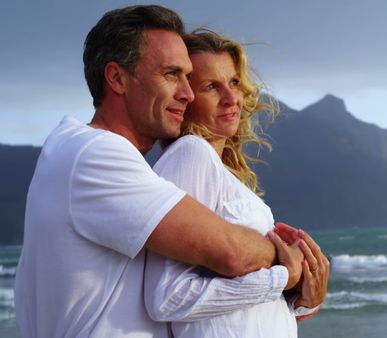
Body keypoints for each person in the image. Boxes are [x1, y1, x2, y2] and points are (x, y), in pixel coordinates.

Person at [14, 5, 324, 337]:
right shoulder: (95, 154)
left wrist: (300, 296)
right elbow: (226, 254)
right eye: (172, 74)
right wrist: (288, 264)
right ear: (117, 78)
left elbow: (222, 304)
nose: (186, 93)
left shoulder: (118, 166)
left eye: (189, 77)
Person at [143, 29, 330, 337]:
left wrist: (304, 298)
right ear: (186, 97)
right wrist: (283, 276)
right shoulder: (192, 154)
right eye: (211, 87)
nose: (231, 98)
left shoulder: (220, 171)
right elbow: (169, 297)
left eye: (233, 82)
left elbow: (244, 313)